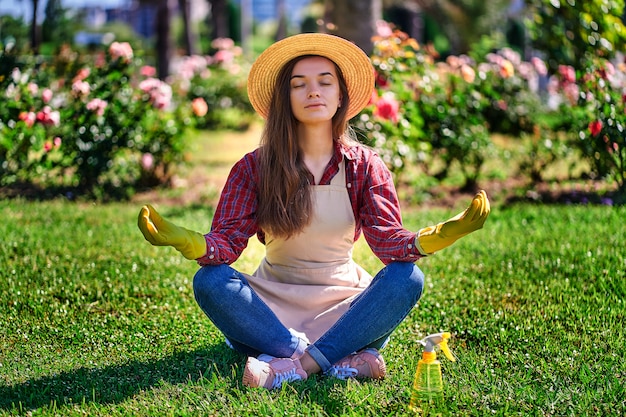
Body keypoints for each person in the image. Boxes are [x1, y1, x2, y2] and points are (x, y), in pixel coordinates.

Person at [138, 33, 490, 390]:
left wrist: (441, 234)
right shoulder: (253, 168)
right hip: (271, 307)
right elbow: (226, 244)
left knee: (408, 278)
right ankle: (337, 357)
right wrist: (188, 242)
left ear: (340, 96)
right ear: (284, 98)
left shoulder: (365, 166)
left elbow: (388, 244)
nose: (313, 92)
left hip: (345, 305)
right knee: (209, 282)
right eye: (298, 84)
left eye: (325, 82)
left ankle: (293, 364)